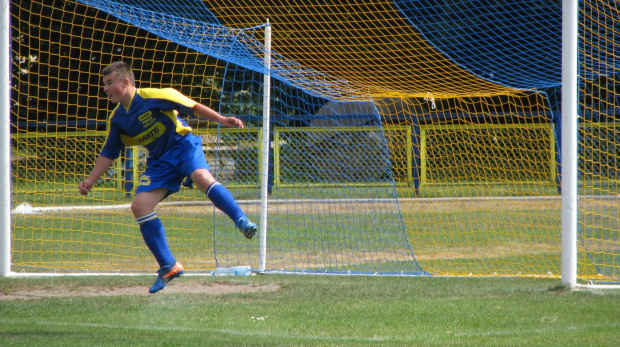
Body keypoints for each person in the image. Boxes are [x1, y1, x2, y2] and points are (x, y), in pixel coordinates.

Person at [79, 61, 257, 293]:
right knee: (140, 206)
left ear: (126, 82)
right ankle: (169, 266)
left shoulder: (155, 96)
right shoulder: (118, 118)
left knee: (202, 177)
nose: (105, 88)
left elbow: (193, 106)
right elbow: (109, 152)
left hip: (184, 147)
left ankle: (241, 220)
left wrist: (222, 120)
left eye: (109, 83)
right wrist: (91, 180)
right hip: (160, 161)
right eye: (104, 84)